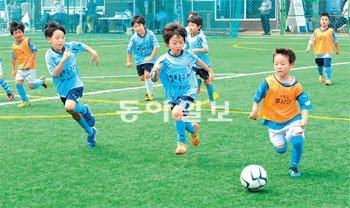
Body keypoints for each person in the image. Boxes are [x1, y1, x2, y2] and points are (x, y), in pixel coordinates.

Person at [151, 23, 214, 155]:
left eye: (181, 42)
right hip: (173, 95)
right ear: (167, 44)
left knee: (177, 113)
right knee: (181, 117)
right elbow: (153, 79)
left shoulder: (188, 55)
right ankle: (193, 129)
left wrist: (209, 70)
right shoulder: (163, 61)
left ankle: (181, 143)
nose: (178, 45)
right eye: (175, 43)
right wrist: (156, 73)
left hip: (189, 90)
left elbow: (198, 61)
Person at [248, 48, 312, 178]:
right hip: (273, 123)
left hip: (293, 119)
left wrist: (304, 119)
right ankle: (287, 138)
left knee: (298, 141)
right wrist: (255, 110)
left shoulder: (296, 85)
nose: (279, 67)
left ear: (291, 65)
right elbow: (257, 98)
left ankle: (294, 166)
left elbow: (305, 104)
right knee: (281, 149)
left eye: (283, 64)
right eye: (276, 64)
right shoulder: (268, 82)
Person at [44, 22, 98, 148]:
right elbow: (55, 74)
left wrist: (93, 52)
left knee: (69, 107)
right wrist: (63, 59)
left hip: (76, 84)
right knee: (74, 114)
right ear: (49, 39)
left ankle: (85, 110)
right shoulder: (49, 55)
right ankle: (90, 132)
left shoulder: (70, 46)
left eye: (63, 37)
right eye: (57, 38)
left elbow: (82, 45)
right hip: (63, 90)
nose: (61, 40)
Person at [10, 22, 47, 107]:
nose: (18, 34)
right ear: (13, 35)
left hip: (30, 68)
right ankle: (25, 101)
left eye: (20, 32)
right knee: (18, 83)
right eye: (16, 33)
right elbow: (13, 58)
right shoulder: (13, 46)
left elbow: (34, 51)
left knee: (32, 86)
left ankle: (42, 81)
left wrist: (29, 62)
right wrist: (13, 70)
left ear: (23, 32)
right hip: (21, 68)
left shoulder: (28, 41)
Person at [126, 15, 160, 101]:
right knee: (142, 78)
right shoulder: (133, 38)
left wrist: (151, 57)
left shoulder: (150, 34)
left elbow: (156, 46)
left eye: (139, 26)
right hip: (139, 61)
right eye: (135, 27)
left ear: (144, 25)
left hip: (150, 60)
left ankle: (149, 94)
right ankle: (155, 75)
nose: (137, 28)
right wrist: (129, 61)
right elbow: (129, 50)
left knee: (146, 76)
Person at [186, 15, 216, 108]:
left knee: (207, 82)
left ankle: (212, 101)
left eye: (192, 25)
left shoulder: (201, 36)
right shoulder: (188, 36)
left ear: (198, 26)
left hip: (203, 64)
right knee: (190, 78)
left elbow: (206, 49)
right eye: (189, 25)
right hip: (193, 63)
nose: (190, 27)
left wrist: (196, 50)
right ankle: (188, 100)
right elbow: (186, 46)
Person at [306, 12, 339, 86]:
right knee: (319, 66)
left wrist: (337, 49)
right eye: (322, 19)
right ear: (320, 21)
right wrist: (308, 47)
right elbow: (311, 40)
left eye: (326, 19)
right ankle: (321, 75)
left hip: (328, 52)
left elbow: (336, 41)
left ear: (329, 21)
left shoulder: (331, 31)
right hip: (318, 52)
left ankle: (328, 79)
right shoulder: (316, 31)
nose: (324, 21)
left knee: (327, 65)